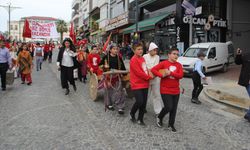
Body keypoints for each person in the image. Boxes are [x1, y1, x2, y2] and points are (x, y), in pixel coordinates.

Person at [151, 48, 183, 132]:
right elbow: (153, 70)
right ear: (169, 55)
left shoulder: (179, 65)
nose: (176, 56)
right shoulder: (164, 63)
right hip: (165, 89)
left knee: (174, 108)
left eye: (177, 54)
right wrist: (161, 75)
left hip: (176, 90)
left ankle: (171, 124)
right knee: (169, 107)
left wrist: (171, 73)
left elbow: (180, 75)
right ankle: (160, 117)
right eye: (174, 54)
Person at [130, 43, 153, 125]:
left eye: (141, 49)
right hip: (136, 84)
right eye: (138, 49)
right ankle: (132, 113)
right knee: (139, 101)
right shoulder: (133, 60)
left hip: (145, 84)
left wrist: (149, 72)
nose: (140, 51)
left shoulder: (143, 58)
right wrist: (149, 77)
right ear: (134, 50)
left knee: (144, 103)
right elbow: (139, 72)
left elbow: (145, 69)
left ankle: (140, 119)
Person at [99, 44, 126, 114]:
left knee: (119, 91)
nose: (115, 50)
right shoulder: (105, 57)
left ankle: (120, 106)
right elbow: (100, 65)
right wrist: (104, 67)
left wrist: (125, 74)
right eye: (114, 49)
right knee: (108, 91)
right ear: (110, 50)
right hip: (108, 76)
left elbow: (122, 67)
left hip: (117, 76)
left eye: (116, 49)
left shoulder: (119, 57)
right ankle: (109, 104)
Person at [143, 42, 163, 116]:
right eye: (154, 50)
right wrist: (149, 72)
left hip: (155, 78)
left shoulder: (157, 57)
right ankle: (143, 107)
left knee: (156, 95)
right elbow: (144, 67)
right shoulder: (144, 56)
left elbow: (156, 67)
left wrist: (153, 73)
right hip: (147, 78)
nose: (155, 52)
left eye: (156, 50)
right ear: (150, 50)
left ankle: (158, 110)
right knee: (146, 94)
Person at [235, 48, 250, 122]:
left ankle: (248, 115)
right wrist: (238, 55)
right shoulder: (246, 55)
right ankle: (248, 115)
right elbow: (238, 62)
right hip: (248, 82)